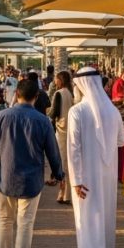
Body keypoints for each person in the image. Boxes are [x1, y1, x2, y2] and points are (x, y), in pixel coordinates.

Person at [0, 78, 65, 248]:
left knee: (5, 220)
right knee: (25, 223)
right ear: (36, 97)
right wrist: (59, 174)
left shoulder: (1, 117)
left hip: (5, 178)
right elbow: (53, 152)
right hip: (31, 181)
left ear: (16, 94)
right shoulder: (42, 121)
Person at [67, 67, 124, 248]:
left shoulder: (77, 112)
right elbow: (122, 141)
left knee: (88, 217)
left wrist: (75, 179)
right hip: (107, 173)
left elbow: (73, 149)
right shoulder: (112, 110)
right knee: (105, 215)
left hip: (85, 174)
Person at [47, 71, 74, 205]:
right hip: (69, 129)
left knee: (62, 164)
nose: (54, 81)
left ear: (60, 80)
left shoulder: (59, 94)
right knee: (67, 162)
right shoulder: (69, 93)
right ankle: (64, 193)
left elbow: (54, 113)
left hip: (61, 130)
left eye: (56, 79)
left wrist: (48, 112)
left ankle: (64, 194)